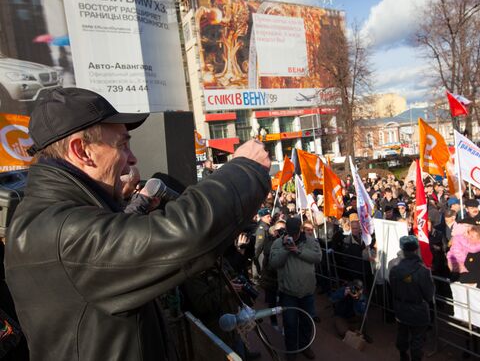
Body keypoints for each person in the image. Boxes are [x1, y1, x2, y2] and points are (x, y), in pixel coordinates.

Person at [5, 88, 271, 361]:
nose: (132, 158)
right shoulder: (63, 231)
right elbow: (186, 234)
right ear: (81, 151)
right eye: (122, 144)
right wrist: (244, 169)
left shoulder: (55, 218)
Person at [269, 217, 322, 360]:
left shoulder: (311, 241)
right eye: (290, 233)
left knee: (306, 322)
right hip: (288, 292)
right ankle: (291, 351)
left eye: (295, 232)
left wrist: (298, 251)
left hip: (307, 291)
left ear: (300, 229)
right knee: (290, 324)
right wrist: (286, 250)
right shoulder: (278, 243)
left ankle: (305, 346)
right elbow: (273, 263)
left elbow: (317, 258)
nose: (292, 236)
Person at [389, 235, 435, 361]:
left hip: (400, 307)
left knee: (402, 333)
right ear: (416, 249)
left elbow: (392, 287)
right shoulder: (423, 271)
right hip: (418, 310)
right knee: (417, 339)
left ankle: (403, 355)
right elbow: (429, 295)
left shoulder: (394, 268)